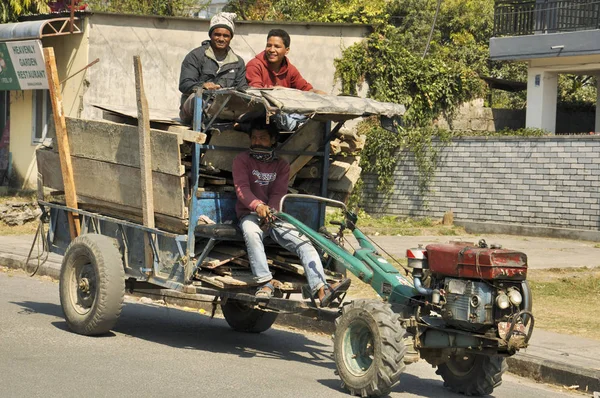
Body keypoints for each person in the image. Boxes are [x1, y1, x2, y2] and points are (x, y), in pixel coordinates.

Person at [232, 118, 350, 307]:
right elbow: (242, 189)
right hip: (250, 213)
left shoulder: (281, 165)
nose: (257, 142)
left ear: (272, 140)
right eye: (254, 138)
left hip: (274, 215)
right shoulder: (242, 160)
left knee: (304, 243)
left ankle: (321, 288)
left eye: (262, 138)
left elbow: (279, 193)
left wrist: (270, 213)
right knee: (251, 232)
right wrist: (257, 207)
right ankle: (264, 282)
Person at [178, 12, 248, 124]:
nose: (221, 39)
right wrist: (203, 86)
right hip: (194, 110)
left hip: (224, 110)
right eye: (217, 34)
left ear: (231, 38)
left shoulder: (238, 62)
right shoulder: (196, 56)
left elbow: (242, 89)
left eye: (226, 36)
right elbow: (184, 84)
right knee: (198, 99)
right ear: (211, 35)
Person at [246, 29, 326, 94]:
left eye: (277, 46)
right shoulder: (254, 65)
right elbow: (256, 94)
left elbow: (306, 90)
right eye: (269, 45)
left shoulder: (290, 70)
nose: (272, 50)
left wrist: (318, 93)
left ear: (287, 50)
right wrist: (281, 92)